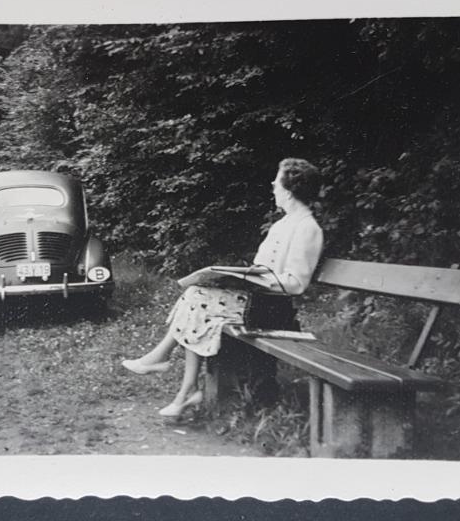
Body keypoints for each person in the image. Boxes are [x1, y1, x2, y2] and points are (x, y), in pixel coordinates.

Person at [121, 158, 325, 418]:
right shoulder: (283, 224)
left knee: (197, 299)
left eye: (278, 179)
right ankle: (183, 385)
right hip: (256, 300)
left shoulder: (307, 228)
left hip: (271, 309)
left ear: (289, 189)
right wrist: (236, 278)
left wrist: (255, 280)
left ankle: (174, 374)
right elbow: (263, 268)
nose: (273, 184)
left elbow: (296, 283)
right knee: (196, 295)